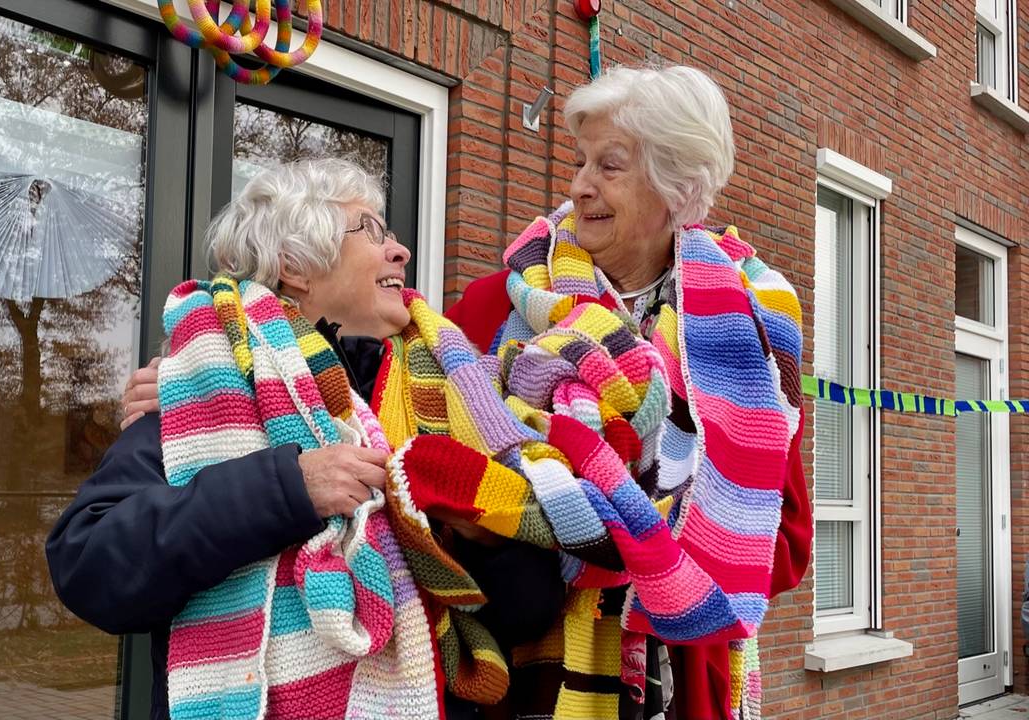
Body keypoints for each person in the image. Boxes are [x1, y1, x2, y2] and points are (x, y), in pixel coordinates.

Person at [46, 159, 564, 720]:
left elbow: (528, 614)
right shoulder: (204, 397)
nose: (400, 251)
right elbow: (90, 566)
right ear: (295, 266)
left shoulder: (444, 407)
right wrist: (288, 488)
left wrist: (489, 540)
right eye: (371, 229)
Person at [443, 64, 812, 719]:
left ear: (676, 188)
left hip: (682, 678)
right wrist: (530, 528)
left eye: (608, 166)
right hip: (531, 671)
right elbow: (443, 507)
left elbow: (785, 543)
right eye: (580, 161)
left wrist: (649, 548)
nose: (580, 186)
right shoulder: (491, 310)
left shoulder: (751, 328)